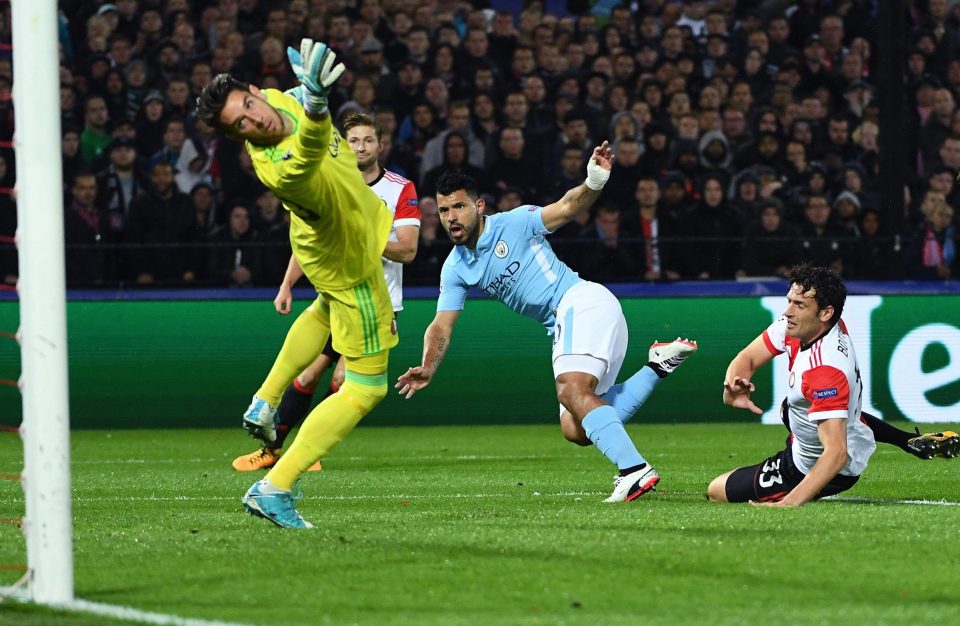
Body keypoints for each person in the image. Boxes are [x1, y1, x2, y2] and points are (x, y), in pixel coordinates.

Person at [395, 147, 698, 503]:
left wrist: (594, 180)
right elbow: (441, 325)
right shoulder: (456, 266)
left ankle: (634, 470)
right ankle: (656, 366)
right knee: (575, 427)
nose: (451, 218)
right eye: (444, 210)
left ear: (478, 207)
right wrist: (429, 365)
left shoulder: (514, 222)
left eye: (458, 207)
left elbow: (568, 206)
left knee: (570, 390)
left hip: (580, 303)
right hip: (568, 323)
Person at [197, 40, 398, 528]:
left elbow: (294, 104)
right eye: (240, 124)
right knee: (367, 389)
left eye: (248, 105)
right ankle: (276, 485)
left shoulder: (277, 96)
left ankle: (265, 401)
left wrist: (304, 88)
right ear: (235, 137)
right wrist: (316, 104)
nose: (254, 120)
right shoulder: (280, 166)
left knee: (323, 312)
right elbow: (309, 147)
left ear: (253, 90)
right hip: (348, 258)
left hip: (320, 248)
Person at [231, 111, 421, 472]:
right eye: (354, 141)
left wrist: (359, 236)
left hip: (374, 303)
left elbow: (408, 250)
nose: (361, 146)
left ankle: (309, 452)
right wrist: (288, 283)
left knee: (342, 381)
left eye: (368, 140)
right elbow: (308, 241)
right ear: (344, 147)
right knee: (305, 377)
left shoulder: (400, 188)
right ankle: (273, 450)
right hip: (335, 296)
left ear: (380, 145)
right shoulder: (330, 181)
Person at [708, 265, 957, 507]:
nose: (788, 312)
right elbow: (747, 359)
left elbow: (836, 454)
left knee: (717, 491)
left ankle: (806, 482)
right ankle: (908, 441)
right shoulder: (806, 324)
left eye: (799, 305)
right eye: (789, 301)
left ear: (826, 313)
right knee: (791, 407)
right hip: (837, 426)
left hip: (814, 467)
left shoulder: (824, 371)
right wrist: (732, 385)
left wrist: (789, 503)